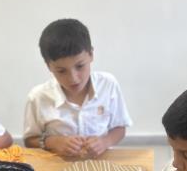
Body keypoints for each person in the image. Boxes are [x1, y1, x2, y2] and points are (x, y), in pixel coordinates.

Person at [24, 18, 131, 158]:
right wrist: (54, 142)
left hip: (101, 163)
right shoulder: (38, 97)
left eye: (80, 66)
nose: (73, 79)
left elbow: (120, 128)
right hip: (57, 165)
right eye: (61, 71)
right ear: (48, 66)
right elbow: (29, 140)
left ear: (91, 54)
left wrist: (105, 142)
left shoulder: (108, 84)